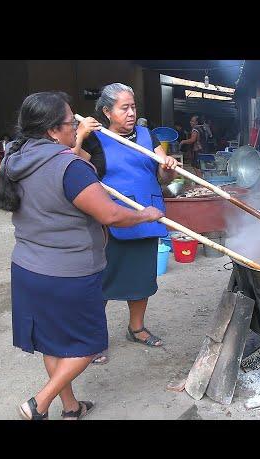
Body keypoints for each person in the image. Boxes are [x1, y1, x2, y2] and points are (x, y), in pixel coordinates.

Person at [0, 91, 164, 419]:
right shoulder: (69, 168)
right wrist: (146, 215)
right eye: (72, 122)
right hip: (68, 272)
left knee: (52, 342)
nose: (77, 127)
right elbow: (111, 216)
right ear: (52, 130)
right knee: (86, 345)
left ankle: (71, 408)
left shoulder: (16, 158)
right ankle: (39, 403)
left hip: (27, 269)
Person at [73, 83, 178, 365]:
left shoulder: (148, 135)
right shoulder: (96, 140)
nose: (131, 113)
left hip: (148, 215)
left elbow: (163, 179)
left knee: (142, 278)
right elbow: (71, 167)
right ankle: (94, 340)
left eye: (133, 107)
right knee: (103, 283)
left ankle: (136, 328)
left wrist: (167, 167)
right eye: (124, 108)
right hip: (114, 220)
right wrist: (80, 136)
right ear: (107, 111)